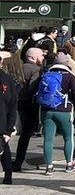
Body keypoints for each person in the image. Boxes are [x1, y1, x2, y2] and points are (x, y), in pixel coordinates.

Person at [37, 53, 75, 174]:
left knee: (48, 139)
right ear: (66, 63)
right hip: (64, 110)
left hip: (46, 110)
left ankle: (49, 167)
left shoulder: (45, 74)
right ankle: (69, 164)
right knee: (68, 138)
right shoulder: (69, 76)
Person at [12, 47, 44, 172]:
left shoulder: (18, 69)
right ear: (34, 57)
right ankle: (19, 161)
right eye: (41, 55)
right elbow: (33, 89)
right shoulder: (36, 70)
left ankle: (17, 160)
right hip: (31, 105)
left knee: (21, 134)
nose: (42, 58)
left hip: (17, 103)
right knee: (26, 134)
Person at [0, 49, 19, 185]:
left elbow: (12, 105)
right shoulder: (8, 80)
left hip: (3, 125)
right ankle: (8, 173)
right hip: (2, 124)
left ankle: (8, 173)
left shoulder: (7, 80)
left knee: (4, 149)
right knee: (4, 147)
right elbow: (13, 106)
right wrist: (9, 129)